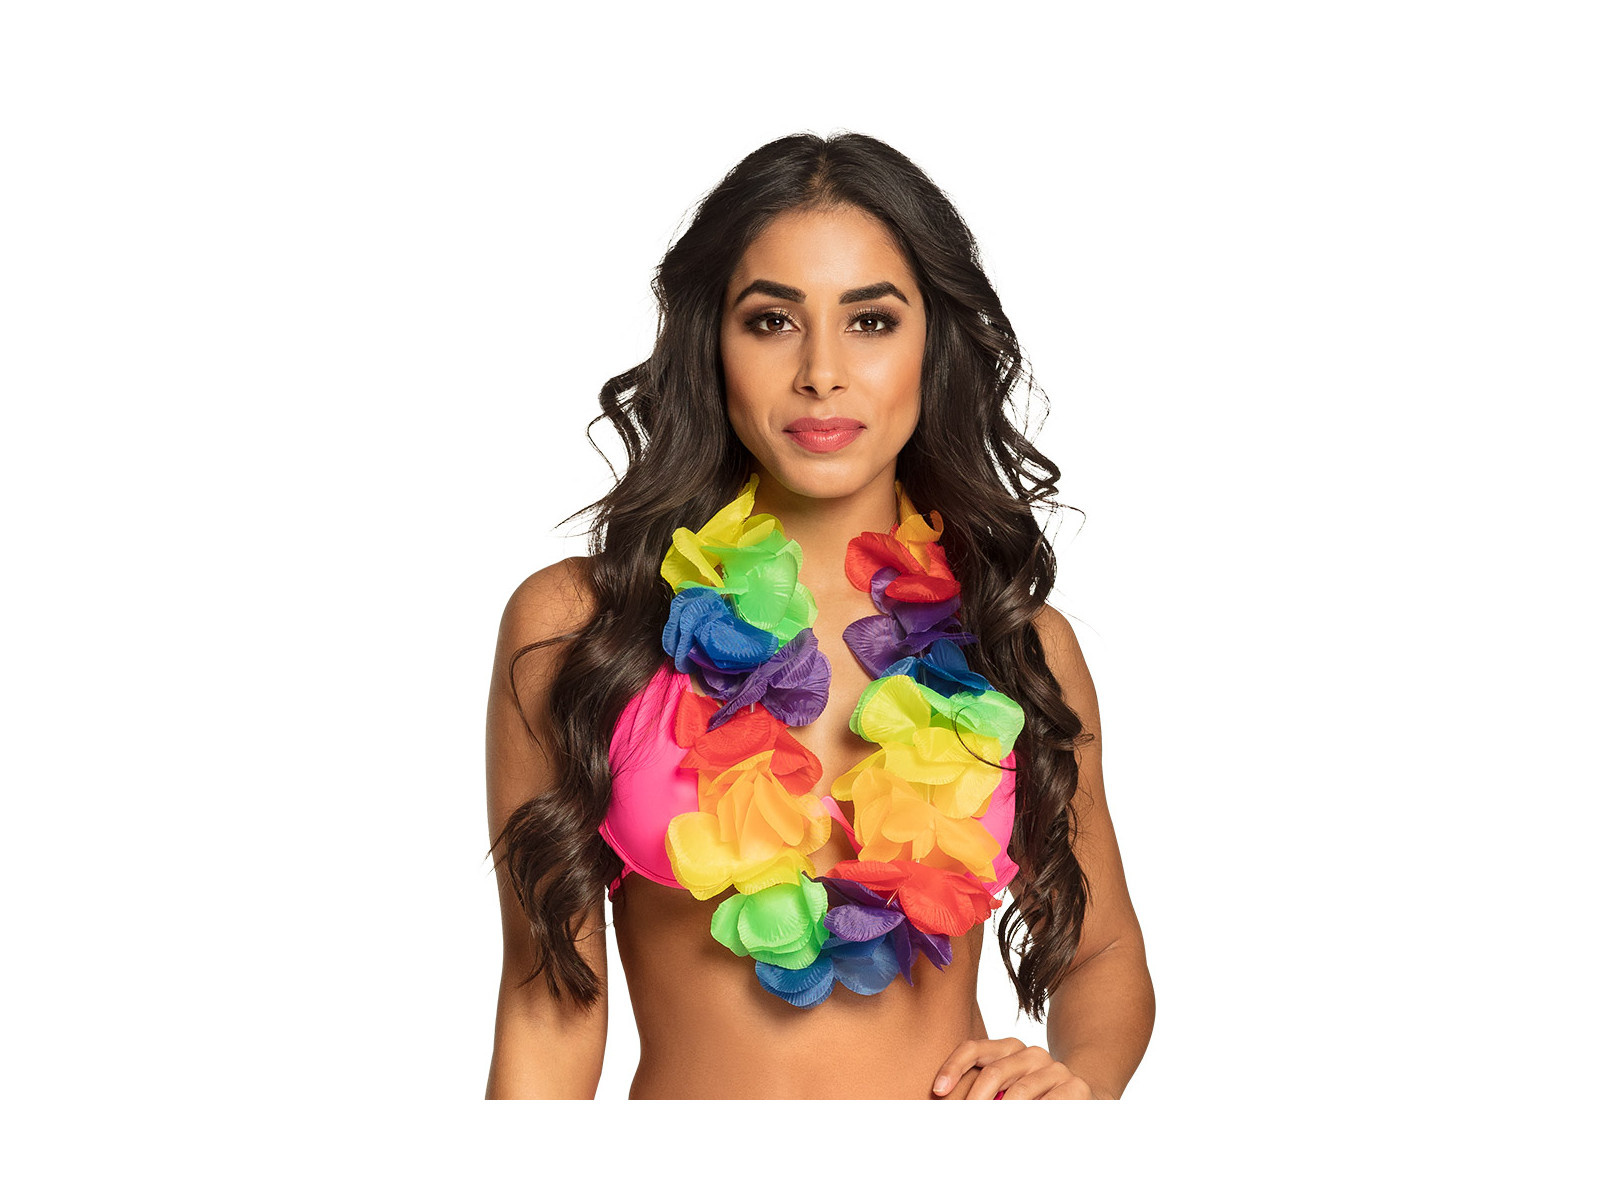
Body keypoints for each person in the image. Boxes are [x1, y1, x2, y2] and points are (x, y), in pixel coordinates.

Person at [484, 131, 1155, 1100]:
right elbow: (548, 1002)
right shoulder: (580, 626)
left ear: (934, 344)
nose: (822, 372)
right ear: (711, 344)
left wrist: (1074, 1081)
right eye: (772, 321)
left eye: (871, 321)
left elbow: (1104, 954)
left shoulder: (1015, 641)